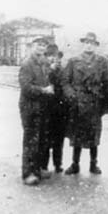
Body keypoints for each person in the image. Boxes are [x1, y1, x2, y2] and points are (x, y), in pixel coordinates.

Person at [61, 32, 108, 175]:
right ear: (83, 44)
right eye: (86, 42)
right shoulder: (73, 61)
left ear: (95, 45)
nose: (89, 45)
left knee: (94, 136)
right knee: (77, 136)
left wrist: (104, 103)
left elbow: (107, 83)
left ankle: (93, 164)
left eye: (92, 43)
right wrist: (72, 96)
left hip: (94, 103)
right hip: (78, 104)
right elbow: (65, 81)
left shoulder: (102, 62)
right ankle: (75, 164)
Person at [18, 36, 54, 185]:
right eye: (39, 45)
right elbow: (26, 87)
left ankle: (38, 169)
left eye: (44, 45)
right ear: (32, 46)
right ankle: (28, 173)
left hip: (43, 106)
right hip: (30, 107)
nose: (41, 48)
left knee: (42, 140)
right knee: (30, 141)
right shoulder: (27, 64)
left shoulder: (44, 62)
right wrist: (43, 90)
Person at [40, 45, 67, 173]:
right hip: (46, 107)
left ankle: (58, 163)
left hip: (60, 108)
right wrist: (50, 70)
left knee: (59, 137)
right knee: (46, 137)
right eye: (50, 56)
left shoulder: (62, 70)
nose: (53, 59)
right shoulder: (43, 69)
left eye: (55, 56)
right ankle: (44, 165)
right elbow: (42, 82)